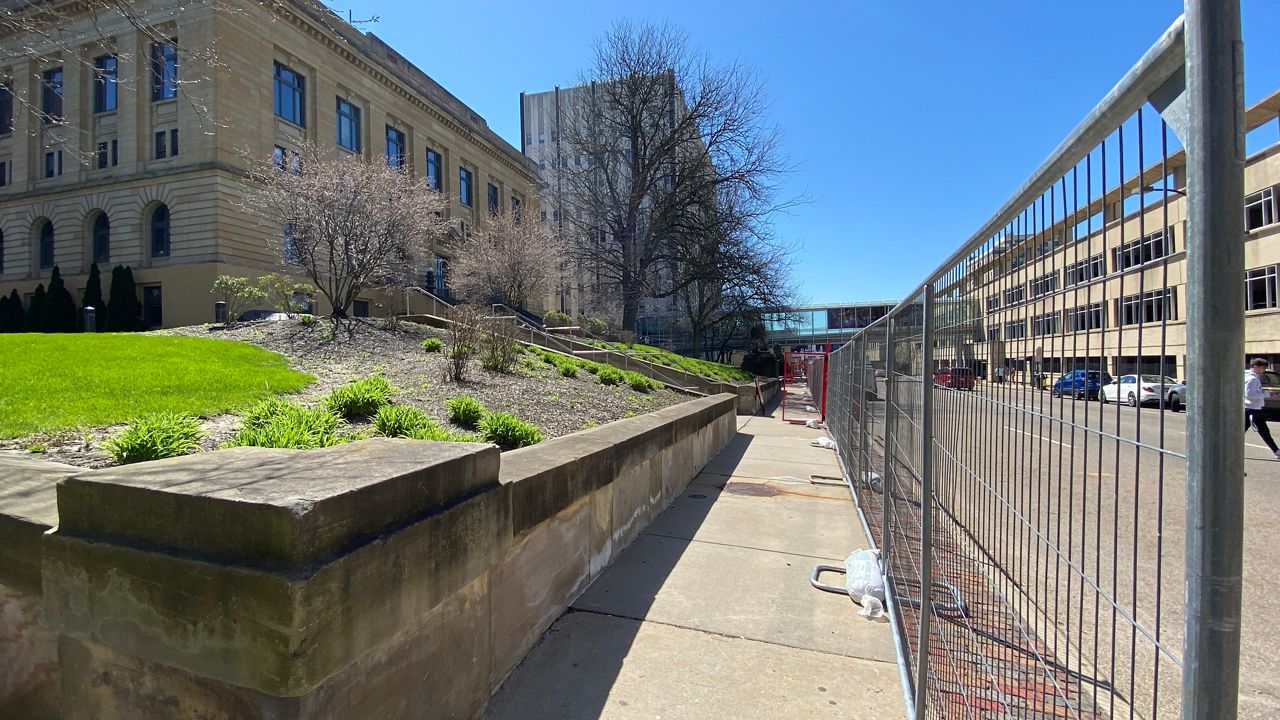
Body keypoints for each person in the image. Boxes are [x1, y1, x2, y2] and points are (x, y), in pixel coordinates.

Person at [1245, 358, 1280, 460]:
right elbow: (1250, 395)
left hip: (1249, 408)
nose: (1264, 370)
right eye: (1263, 368)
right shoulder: (1252, 379)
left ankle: (1276, 451)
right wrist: (1267, 394)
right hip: (1253, 409)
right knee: (1264, 431)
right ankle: (1277, 451)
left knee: (1260, 431)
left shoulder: (1247, 376)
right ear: (1256, 367)